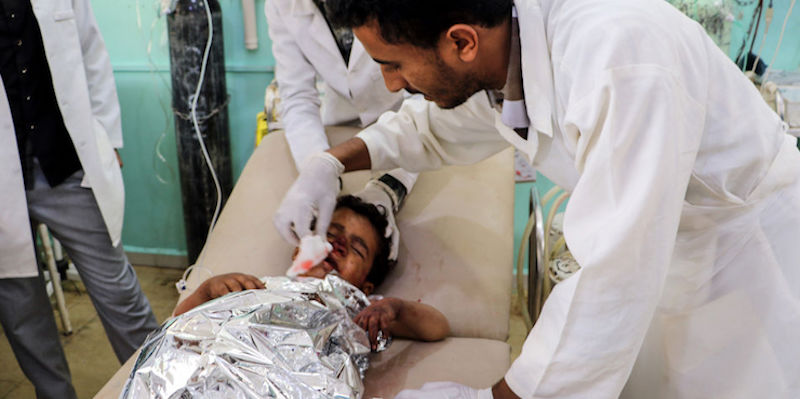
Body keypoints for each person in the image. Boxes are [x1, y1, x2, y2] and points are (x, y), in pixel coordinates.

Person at [274, 0, 800, 398]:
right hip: (673, 255)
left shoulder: (619, 57)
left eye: (393, 64)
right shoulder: (509, 49)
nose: (391, 84)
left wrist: (497, 396)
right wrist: (332, 162)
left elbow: (612, 274)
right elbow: (433, 128)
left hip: (747, 260)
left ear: (462, 42)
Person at [0, 1, 159, 398]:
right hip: (4, 176)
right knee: (22, 313)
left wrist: (107, 135)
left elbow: (91, 51)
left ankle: (160, 383)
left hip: (65, 163)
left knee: (120, 294)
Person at [176, 194, 448, 348]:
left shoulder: (363, 313)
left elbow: (437, 327)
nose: (339, 244)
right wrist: (207, 290)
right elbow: (178, 325)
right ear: (299, 249)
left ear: (365, 287)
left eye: (357, 249)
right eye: (331, 234)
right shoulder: (256, 288)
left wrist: (395, 308)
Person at [265, 0, 419, 260]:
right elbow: (298, 97)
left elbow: (427, 105)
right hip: (342, 118)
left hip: (412, 109)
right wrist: (317, 168)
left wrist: (389, 187)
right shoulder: (282, 4)